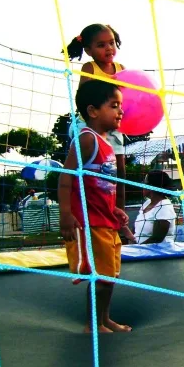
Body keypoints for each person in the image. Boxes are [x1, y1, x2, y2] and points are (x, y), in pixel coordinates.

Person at [58, 79, 131, 334]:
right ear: (93, 111)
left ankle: (105, 318)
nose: (120, 111)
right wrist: (65, 214)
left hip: (105, 219)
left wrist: (115, 210)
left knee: (110, 275)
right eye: (114, 105)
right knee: (100, 277)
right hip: (89, 222)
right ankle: (93, 324)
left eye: (120, 106)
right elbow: (66, 177)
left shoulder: (108, 144)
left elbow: (102, 186)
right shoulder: (86, 140)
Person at [65, 23, 135, 244]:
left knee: (119, 173)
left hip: (114, 126)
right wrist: (111, 84)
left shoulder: (121, 67)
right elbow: (85, 97)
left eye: (112, 43)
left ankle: (121, 223)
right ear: (88, 50)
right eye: (101, 45)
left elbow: (129, 97)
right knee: (90, 174)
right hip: (90, 124)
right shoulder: (89, 67)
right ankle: (80, 216)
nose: (108, 49)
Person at [134, 171, 177, 244]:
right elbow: (135, 233)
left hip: (156, 253)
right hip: (139, 251)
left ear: (151, 186)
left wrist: (137, 248)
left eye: (145, 182)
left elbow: (157, 239)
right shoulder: (146, 203)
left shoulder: (164, 206)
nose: (142, 185)